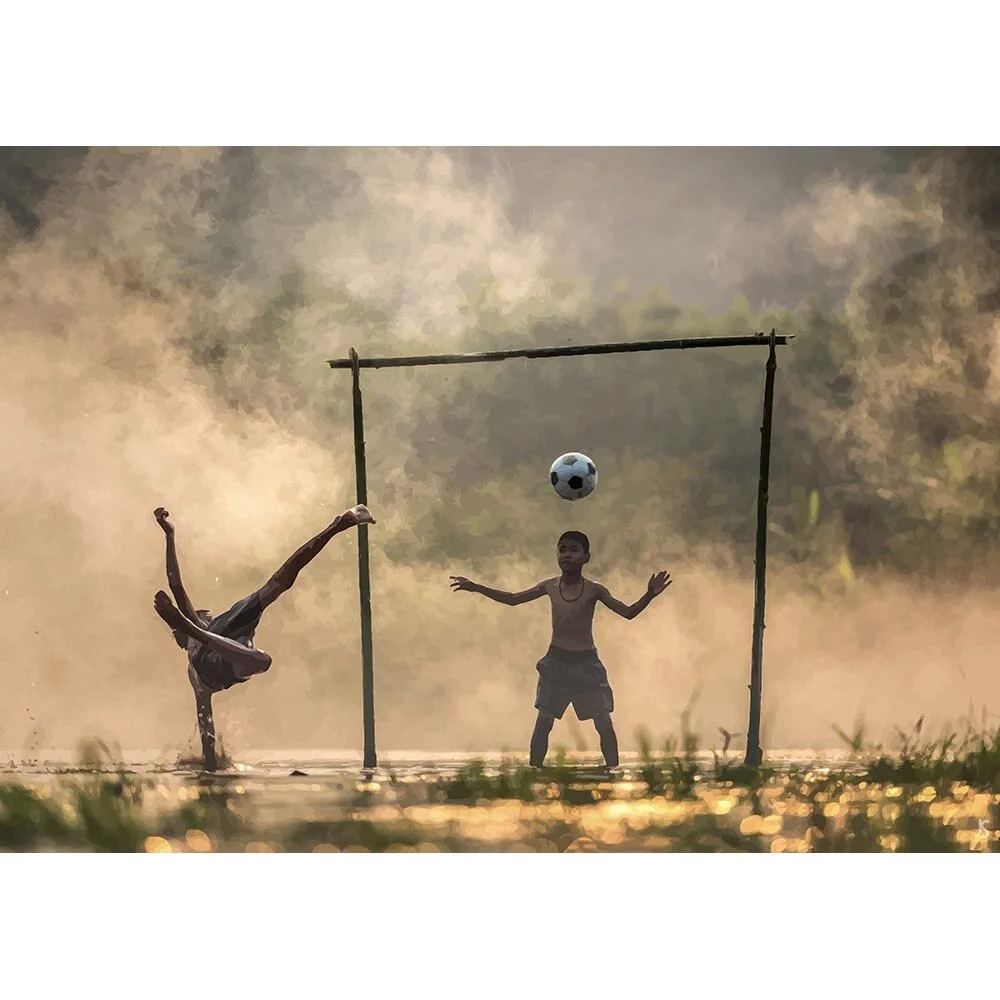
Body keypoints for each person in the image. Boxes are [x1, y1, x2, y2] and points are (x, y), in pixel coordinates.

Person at [152, 503, 375, 771]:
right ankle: (339, 524)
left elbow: (205, 723)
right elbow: (175, 583)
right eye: (202, 617)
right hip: (216, 660)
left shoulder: (220, 628)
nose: (207, 613)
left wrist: (169, 535)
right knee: (263, 647)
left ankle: (339, 524)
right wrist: (169, 535)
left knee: (275, 592)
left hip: (223, 648)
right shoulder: (196, 648)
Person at [449, 530, 671, 769]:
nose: (567, 555)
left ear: (586, 557)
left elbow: (628, 613)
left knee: (603, 722)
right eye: (562, 549)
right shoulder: (550, 586)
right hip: (556, 663)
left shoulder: (595, 590)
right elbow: (513, 599)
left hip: (587, 664)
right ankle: (534, 773)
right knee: (544, 722)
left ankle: (612, 772)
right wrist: (477, 587)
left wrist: (649, 595)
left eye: (574, 550)